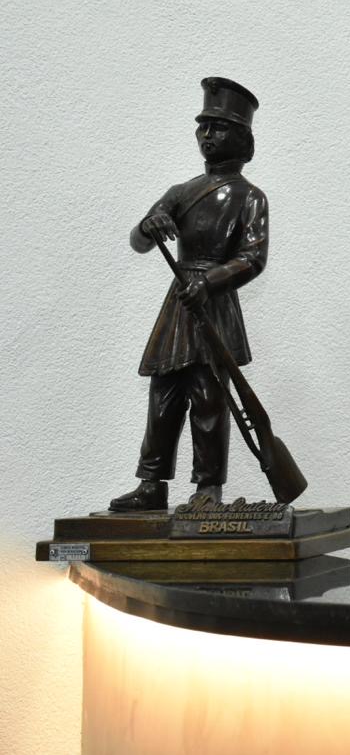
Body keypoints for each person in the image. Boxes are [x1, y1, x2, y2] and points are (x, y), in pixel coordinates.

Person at [109, 77, 268, 512]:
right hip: (180, 303)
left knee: (209, 397)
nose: (207, 135)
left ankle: (207, 488)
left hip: (213, 304)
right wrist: (150, 225)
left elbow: (253, 258)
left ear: (241, 137)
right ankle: (151, 483)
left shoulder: (250, 197)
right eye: (203, 127)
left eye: (218, 127)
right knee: (163, 395)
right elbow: (138, 241)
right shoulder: (180, 193)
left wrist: (211, 281)